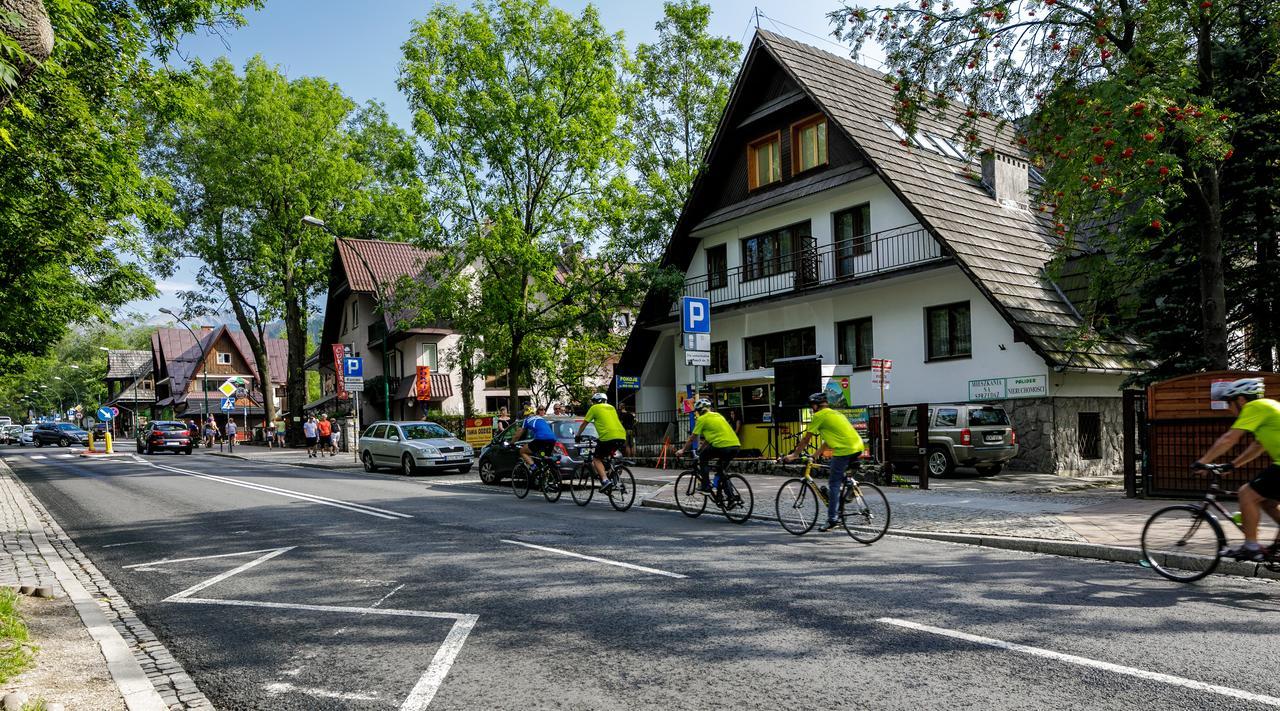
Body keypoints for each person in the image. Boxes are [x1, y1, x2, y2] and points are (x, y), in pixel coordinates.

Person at [1195, 377, 1280, 561]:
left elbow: (1229, 438)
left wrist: (1203, 461)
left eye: (1229, 402)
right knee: (1267, 502)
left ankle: (1251, 547)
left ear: (1241, 399)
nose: (1228, 407)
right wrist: (1233, 465)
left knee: (1246, 494)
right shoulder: (1268, 406)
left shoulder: (1254, 407)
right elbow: (1258, 446)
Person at [782, 392, 866, 532]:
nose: (811, 408)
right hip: (858, 447)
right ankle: (850, 486)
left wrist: (794, 455)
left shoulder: (819, 416)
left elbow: (806, 439)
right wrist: (815, 455)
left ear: (815, 405)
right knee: (840, 476)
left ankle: (832, 519)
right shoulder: (836, 414)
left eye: (811, 406)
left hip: (843, 451)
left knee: (833, 483)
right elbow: (828, 440)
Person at [675, 399, 741, 495]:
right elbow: (709, 438)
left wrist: (683, 450)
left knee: (703, 458)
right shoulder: (718, 416)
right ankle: (731, 497)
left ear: (699, 411)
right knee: (721, 471)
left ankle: (706, 486)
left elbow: (692, 437)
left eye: (697, 412)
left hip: (722, 446)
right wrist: (701, 449)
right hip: (735, 446)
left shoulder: (702, 419)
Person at [575, 393, 628, 494]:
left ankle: (605, 480)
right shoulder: (612, 407)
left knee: (596, 459)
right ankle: (613, 476)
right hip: (621, 435)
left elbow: (584, 424)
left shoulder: (594, 408)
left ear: (595, 401)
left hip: (607, 437)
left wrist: (578, 435)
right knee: (608, 456)